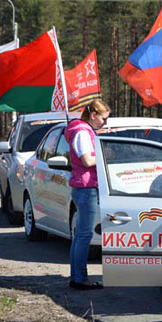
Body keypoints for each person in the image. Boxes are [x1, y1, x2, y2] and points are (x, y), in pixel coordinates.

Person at [64, 99, 110, 290]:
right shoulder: (82, 132)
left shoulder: (82, 130)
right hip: (86, 188)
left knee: (81, 235)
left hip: (84, 187)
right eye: (103, 119)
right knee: (84, 235)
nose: (104, 123)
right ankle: (80, 279)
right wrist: (105, 156)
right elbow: (86, 160)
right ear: (93, 115)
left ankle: (77, 276)